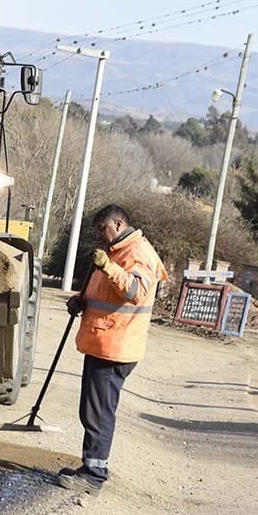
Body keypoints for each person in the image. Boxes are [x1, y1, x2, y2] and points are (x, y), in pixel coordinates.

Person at [58, 204, 168, 494]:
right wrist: (81, 301)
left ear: (118, 224)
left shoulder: (137, 254)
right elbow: (105, 294)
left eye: (102, 228)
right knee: (92, 410)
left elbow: (135, 292)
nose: (100, 235)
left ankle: (94, 474)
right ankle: (91, 466)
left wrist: (109, 267)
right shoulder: (118, 252)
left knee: (99, 413)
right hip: (104, 342)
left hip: (116, 347)